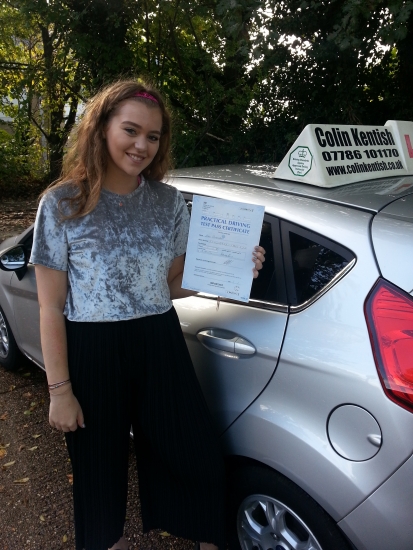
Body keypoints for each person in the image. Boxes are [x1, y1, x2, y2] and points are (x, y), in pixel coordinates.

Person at [30, 80, 265, 550]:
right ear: (101, 129)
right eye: (131, 130)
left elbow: (172, 284)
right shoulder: (62, 204)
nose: (141, 145)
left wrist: (235, 269)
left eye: (152, 137)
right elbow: (50, 306)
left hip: (159, 340)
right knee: (99, 475)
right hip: (91, 350)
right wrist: (60, 392)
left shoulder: (168, 200)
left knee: (197, 457)